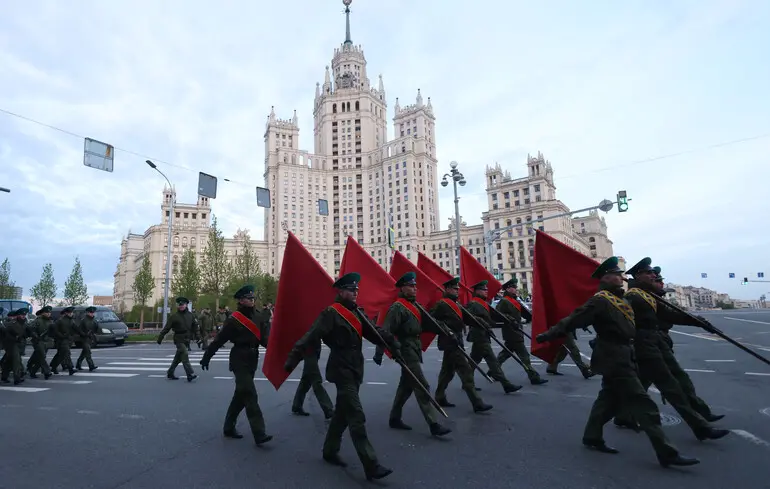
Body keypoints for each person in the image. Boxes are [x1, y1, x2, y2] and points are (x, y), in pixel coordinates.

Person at [536, 256, 699, 467]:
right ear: (606, 277)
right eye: (617, 275)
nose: (622, 278)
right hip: (614, 357)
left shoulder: (621, 299)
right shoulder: (600, 300)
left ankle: (592, 436)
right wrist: (546, 335)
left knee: (608, 400)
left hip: (625, 355)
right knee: (644, 403)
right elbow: (573, 319)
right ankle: (666, 451)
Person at [284, 272, 397, 481]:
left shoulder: (356, 313)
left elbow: (375, 332)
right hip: (341, 369)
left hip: (355, 369)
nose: (355, 293)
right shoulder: (331, 314)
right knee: (356, 415)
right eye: (351, 290)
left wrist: (392, 344)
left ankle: (329, 450)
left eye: (357, 290)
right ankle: (371, 464)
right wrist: (292, 359)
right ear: (341, 291)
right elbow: (311, 336)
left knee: (342, 414)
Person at [611, 258, 728, 441]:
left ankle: (623, 415)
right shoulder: (634, 296)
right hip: (644, 347)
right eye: (649, 273)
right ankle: (700, 427)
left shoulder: (646, 295)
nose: (654, 276)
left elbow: (671, 314)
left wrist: (699, 322)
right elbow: (617, 320)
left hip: (655, 344)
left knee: (659, 383)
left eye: (653, 273)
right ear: (638, 275)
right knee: (671, 387)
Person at [379, 272, 451, 436]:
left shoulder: (415, 306)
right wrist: (385, 351)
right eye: (411, 286)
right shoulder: (398, 308)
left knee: (406, 386)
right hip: (405, 350)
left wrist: (446, 330)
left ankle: (394, 417)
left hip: (414, 348)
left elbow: (428, 324)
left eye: (415, 286)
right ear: (403, 288)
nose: (415, 289)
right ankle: (433, 424)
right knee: (421, 385)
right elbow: (386, 331)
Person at [200, 285, 272, 446]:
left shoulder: (260, 317)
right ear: (240, 300)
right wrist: (207, 356)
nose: (252, 300)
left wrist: (279, 352)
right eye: (248, 298)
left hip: (253, 357)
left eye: (253, 298)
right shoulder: (234, 319)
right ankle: (259, 433)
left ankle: (228, 427)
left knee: (240, 396)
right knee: (250, 394)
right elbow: (219, 340)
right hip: (239, 358)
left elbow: (265, 340)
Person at [430, 277, 493, 412]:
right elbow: (431, 320)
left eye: (458, 289)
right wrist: (445, 329)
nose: (457, 291)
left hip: (457, 340)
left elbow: (469, 317)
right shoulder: (442, 304)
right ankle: (477, 402)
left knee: (447, 372)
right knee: (465, 372)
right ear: (447, 289)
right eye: (454, 288)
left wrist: (484, 325)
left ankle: (439, 396)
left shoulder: (455, 304)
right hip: (449, 341)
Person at [465, 280, 522, 394]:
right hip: (479, 336)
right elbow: (469, 318)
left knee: (474, 360)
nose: (486, 291)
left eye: (486, 289)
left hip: (483, 335)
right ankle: (506, 384)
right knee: (492, 361)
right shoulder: (473, 304)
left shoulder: (483, 303)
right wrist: (483, 323)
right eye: (484, 289)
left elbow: (492, 318)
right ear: (477, 291)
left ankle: (466, 382)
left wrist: (506, 320)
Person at [495, 278, 548, 385]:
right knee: (524, 357)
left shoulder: (514, 300)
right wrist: (510, 319)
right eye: (514, 287)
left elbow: (524, 314)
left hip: (516, 331)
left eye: (515, 287)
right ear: (508, 289)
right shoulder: (504, 301)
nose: (516, 289)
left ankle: (493, 371)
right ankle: (534, 377)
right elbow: (497, 314)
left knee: (504, 354)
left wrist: (534, 318)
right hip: (512, 332)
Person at [157, 297, 198, 382]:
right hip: (178, 339)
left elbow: (195, 327)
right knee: (185, 354)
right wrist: (161, 337)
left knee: (178, 358)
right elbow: (167, 328)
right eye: (180, 305)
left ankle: (170, 372)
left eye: (183, 305)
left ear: (186, 305)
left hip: (187, 339)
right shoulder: (174, 317)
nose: (181, 306)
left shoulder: (190, 315)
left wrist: (198, 337)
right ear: (178, 306)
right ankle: (190, 374)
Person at [27, 306, 53, 379]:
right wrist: (36, 336)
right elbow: (31, 329)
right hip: (38, 341)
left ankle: (32, 371)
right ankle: (47, 372)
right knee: (42, 356)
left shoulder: (50, 321)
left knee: (39, 357)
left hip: (47, 342)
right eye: (47, 312)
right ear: (43, 313)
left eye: (49, 312)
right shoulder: (38, 320)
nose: (48, 314)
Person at [50, 306, 76, 376]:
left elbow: (75, 329)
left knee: (60, 355)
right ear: (66, 313)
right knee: (67, 353)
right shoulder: (60, 320)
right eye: (69, 313)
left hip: (68, 340)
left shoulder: (72, 320)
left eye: (72, 313)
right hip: (61, 340)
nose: (71, 314)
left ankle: (53, 366)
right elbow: (55, 330)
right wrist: (61, 336)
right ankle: (71, 368)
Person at [75, 306, 99, 371]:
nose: (92, 314)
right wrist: (84, 334)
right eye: (90, 312)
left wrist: (95, 331)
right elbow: (79, 330)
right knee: (88, 352)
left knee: (84, 353)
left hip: (90, 338)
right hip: (84, 338)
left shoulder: (94, 320)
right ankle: (91, 366)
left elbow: (96, 329)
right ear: (87, 313)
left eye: (93, 313)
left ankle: (78, 364)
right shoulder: (83, 320)